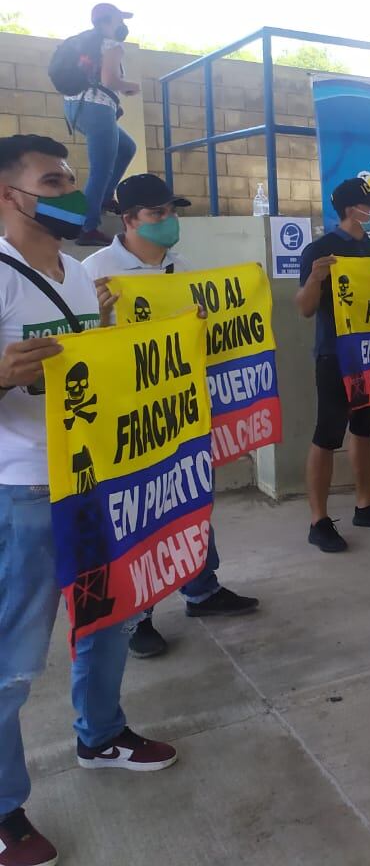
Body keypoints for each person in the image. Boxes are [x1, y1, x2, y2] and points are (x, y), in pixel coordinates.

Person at [0, 135, 177, 866]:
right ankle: (6, 807)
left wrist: (109, 335)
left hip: (95, 476)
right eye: (53, 180)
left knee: (110, 614)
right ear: (9, 192)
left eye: (73, 176)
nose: (72, 190)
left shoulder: (76, 274)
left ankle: (100, 733)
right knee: (12, 659)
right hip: (24, 491)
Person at [83, 174, 259, 659]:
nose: (168, 221)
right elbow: (82, 352)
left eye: (171, 211)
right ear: (130, 219)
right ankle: (136, 615)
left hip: (181, 409)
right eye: (157, 214)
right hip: (129, 414)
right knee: (139, 511)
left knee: (189, 495)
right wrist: (98, 317)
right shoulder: (95, 273)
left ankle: (202, 588)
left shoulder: (183, 270)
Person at [297, 177, 370, 554]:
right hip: (335, 355)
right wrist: (315, 277)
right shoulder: (321, 249)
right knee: (327, 434)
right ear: (351, 209)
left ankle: (365, 504)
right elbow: (304, 307)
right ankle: (318, 520)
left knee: (365, 429)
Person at [62, 4, 140, 248]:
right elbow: (109, 79)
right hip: (97, 109)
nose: (123, 25)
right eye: (120, 20)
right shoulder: (110, 44)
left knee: (126, 147)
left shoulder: (86, 44)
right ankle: (87, 226)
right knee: (101, 168)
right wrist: (130, 86)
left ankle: (105, 198)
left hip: (76, 107)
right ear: (109, 22)